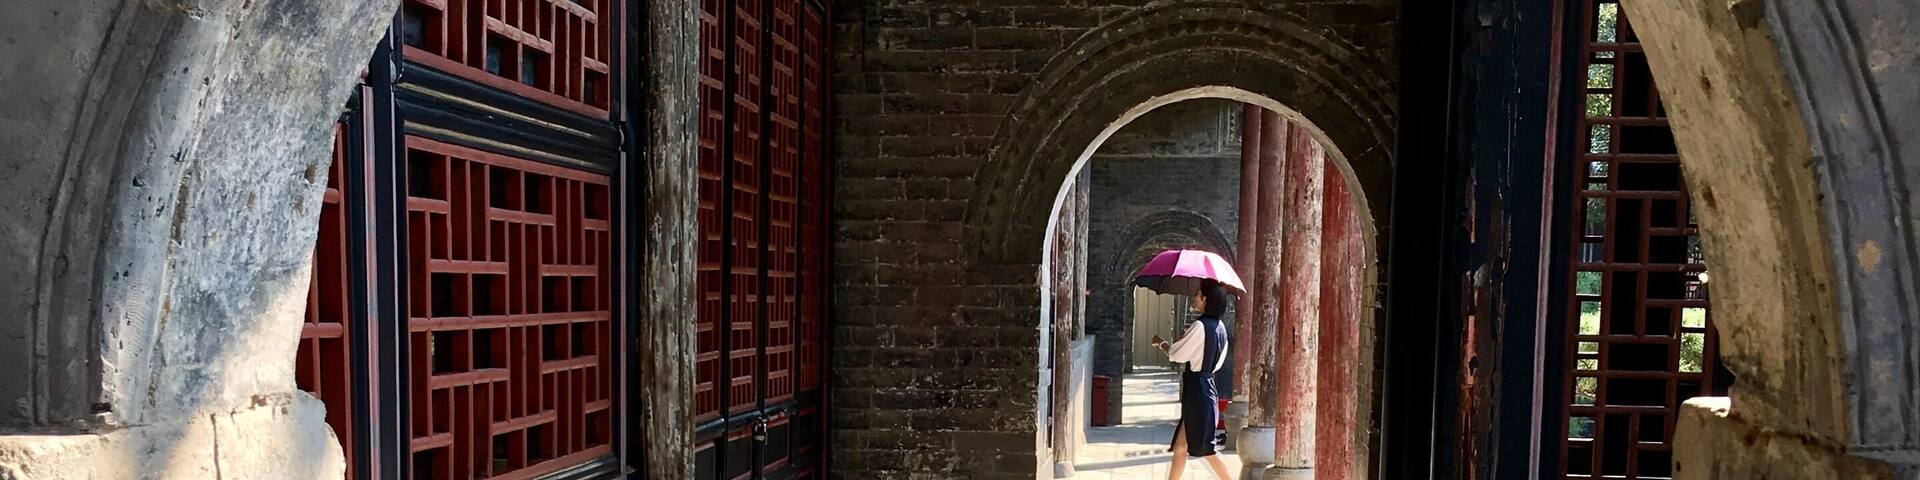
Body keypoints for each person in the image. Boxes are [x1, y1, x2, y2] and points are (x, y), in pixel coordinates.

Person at [1152, 280, 1236, 480]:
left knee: (1207, 449)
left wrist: (1163, 343)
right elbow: (1216, 363)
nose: (1194, 297)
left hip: (1198, 392)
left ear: (1205, 299)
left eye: (1198, 293)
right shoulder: (1220, 328)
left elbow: (1177, 354)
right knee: (1181, 447)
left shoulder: (1200, 326)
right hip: (1206, 387)